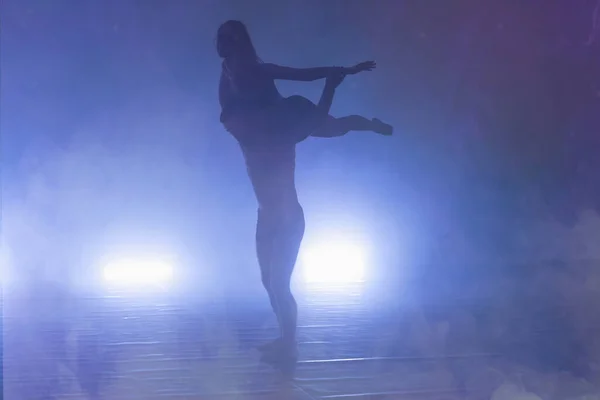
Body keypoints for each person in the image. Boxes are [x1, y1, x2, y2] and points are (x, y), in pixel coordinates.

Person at [216, 20, 393, 360]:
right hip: (266, 217)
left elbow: (309, 92)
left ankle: (289, 345)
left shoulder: (278, 133)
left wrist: (335, 80)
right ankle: (285, 339)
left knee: (279, 284)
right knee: (270, 282)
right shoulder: (241, 121)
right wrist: (230, 65)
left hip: (286, 219)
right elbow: (229, 96)